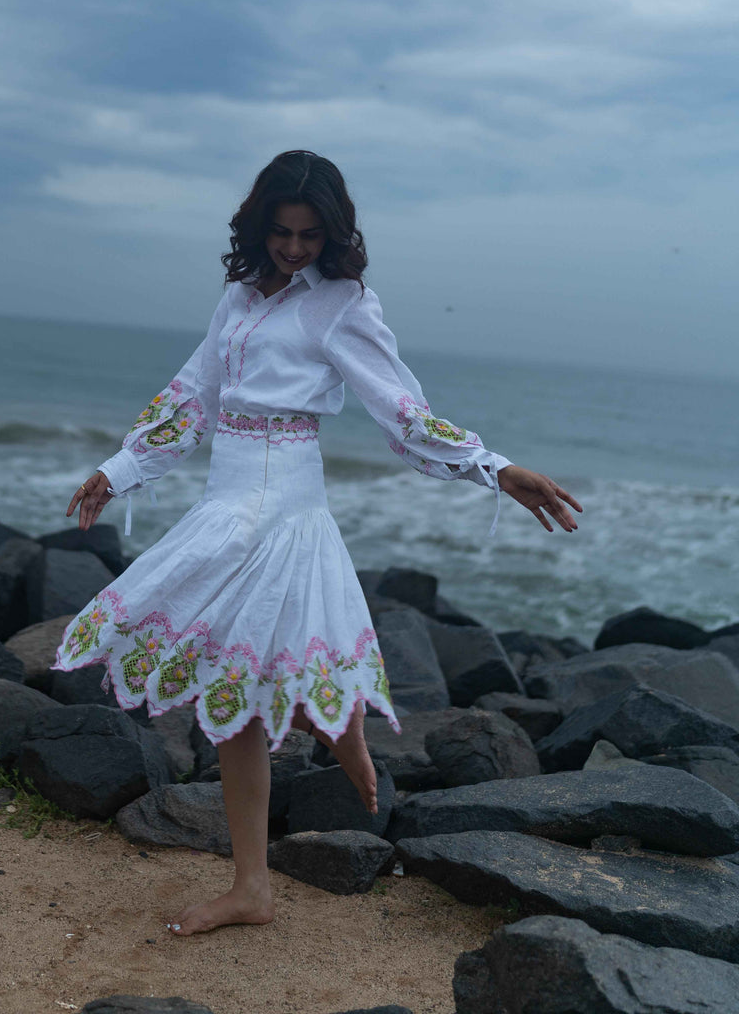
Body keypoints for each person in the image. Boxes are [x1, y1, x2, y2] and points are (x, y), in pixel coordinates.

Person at [54, 150, 581, 937]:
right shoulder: (237, 296)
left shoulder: (342, 304)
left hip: (281, 502)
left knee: (234, 677)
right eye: (282, 232)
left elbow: (402, 411)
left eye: (310, 235)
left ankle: (327, 738)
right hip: (226, 495)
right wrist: (118, 469)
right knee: (230, 695)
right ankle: (261, 868)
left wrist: (495, 468)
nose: (295, 248)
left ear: (333, 233)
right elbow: (193, 397)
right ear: (258, 225)